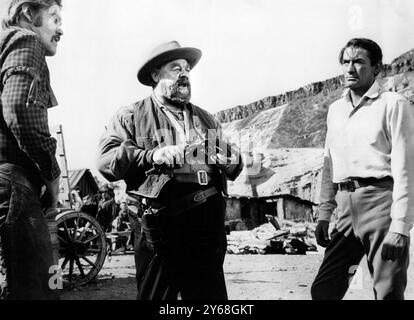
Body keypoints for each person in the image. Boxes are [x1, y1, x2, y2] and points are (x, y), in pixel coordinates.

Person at [97, 41, 243, 300]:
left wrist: (226, 156)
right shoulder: (131, 115)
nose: (184, 73)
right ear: (155, 75)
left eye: (186, 68)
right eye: (175, 68)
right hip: (160, 224)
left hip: (207, 224)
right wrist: (151, 155)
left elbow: (235, 165)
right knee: (158, 297)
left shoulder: (206, 118)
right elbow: (105, 161)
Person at [311, 38, 414, 300]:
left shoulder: (393, 104)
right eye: (345, 62)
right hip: (345, 208)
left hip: (380, 205)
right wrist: (325, 213)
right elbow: (329, 162)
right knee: (324, 290)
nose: (350, 68)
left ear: (377, 68)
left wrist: (400, 226)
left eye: (358, 62)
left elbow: (406, 168)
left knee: (387, 291)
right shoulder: (335, 110)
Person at [0, 0, 63, 300]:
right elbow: (20, 111)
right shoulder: (26, 40)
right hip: (13, 186)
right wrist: (52, 175)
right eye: (54, 18)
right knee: (41, 290)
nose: (60, 29)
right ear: (28, 13)